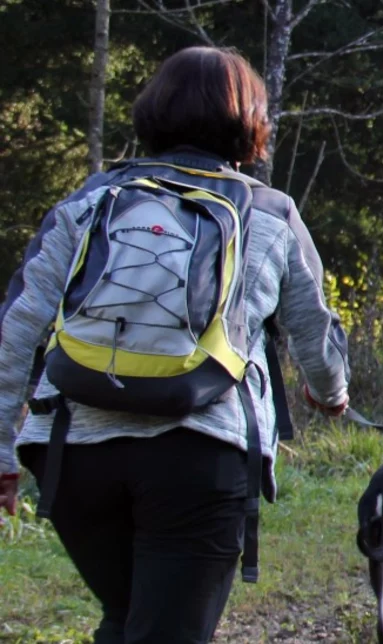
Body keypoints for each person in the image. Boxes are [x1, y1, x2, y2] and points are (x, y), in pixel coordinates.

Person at [0, 46, 351, 644]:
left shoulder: (90, 201)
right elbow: (311, 330)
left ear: (153, 109)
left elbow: (16, 328)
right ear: (252, 124)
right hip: (200, 453)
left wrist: (4, 450)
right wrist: (332, 393)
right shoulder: (269, 213)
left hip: (72, 453)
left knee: (130, 617)